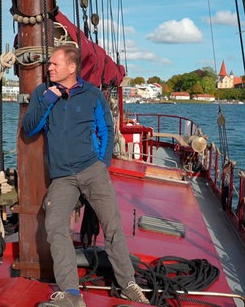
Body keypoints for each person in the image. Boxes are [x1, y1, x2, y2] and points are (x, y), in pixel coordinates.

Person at [22, 44, 150, 307]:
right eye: (50, 65)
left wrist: (101, 164)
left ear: (71, 68)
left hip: (92, 170)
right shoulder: (42, 93)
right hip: (62, 177)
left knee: (112, 226)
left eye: (55, 64)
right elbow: (30, 128)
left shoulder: (92, 95)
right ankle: (71, 293)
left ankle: (127, 284)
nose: (50, 68)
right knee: (55, 226)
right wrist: (49, 98)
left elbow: (106, 130)